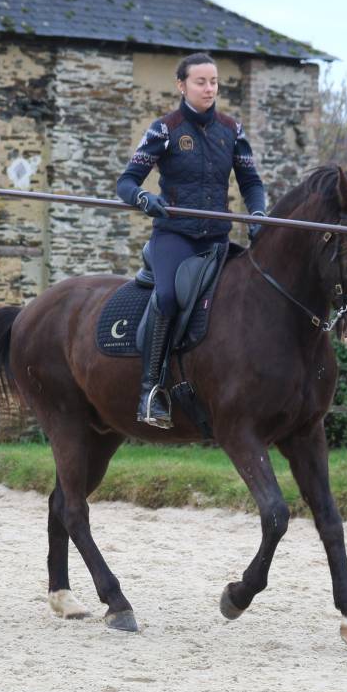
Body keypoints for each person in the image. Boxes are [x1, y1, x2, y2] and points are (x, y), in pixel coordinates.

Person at [116, 52, 267, 429]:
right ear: (182, 85)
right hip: (174, 237)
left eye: (214, 81)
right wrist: (144, 199)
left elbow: (251, 183)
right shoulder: (164, 129)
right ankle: (151, 392)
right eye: (201, 82)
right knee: (167, 297)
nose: (209, 88)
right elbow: (126, 182)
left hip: (216, 239)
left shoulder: (232, 131)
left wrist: (259, 213)